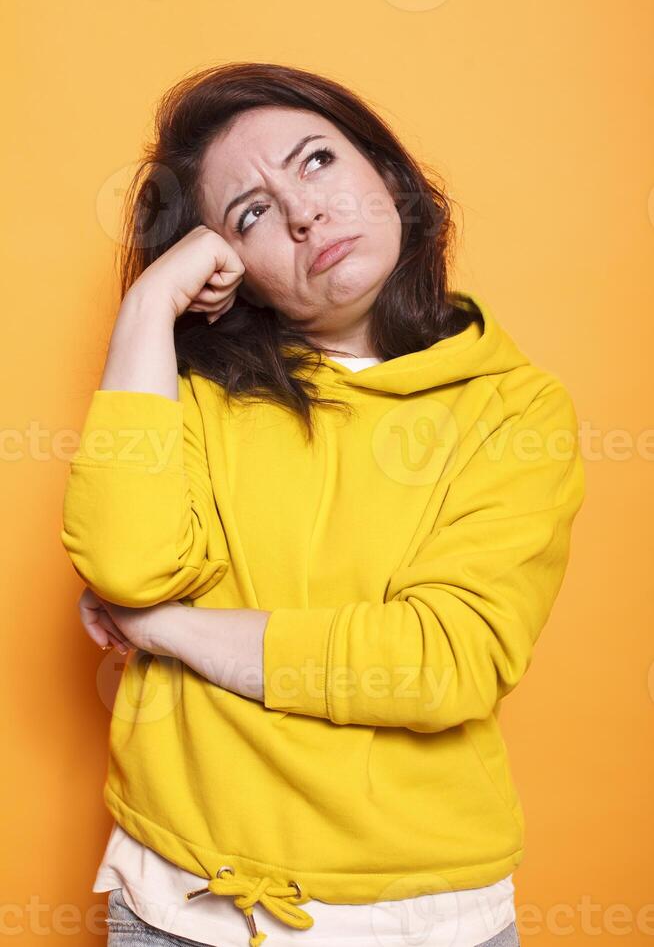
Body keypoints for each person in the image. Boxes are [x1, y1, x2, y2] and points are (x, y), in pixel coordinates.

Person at [61, 62, 585, 947]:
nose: (303, 213)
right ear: (235, 269)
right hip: (178, 897)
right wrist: (147, 309)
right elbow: (123, 563)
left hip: (417, 918)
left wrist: (165, 629)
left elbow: (439, 662)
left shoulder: (516, 409)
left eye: (315, 162)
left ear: (387, 173)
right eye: (250, 214)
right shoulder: (192, 391)